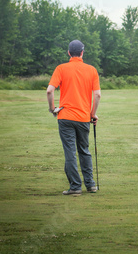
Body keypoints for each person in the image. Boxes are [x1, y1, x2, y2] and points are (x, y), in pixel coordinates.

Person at [46, 39, 101, 195]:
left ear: (69, 53)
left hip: (65, 117)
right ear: (82, 53)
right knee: (84, 150)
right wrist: (92, 114)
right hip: (84, 117)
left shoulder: (61, 68)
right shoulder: (92, 70)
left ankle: (75, 186)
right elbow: (97, 95)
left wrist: (52, 109)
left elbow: (50, 91)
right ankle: (90, 185)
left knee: (70, 151)